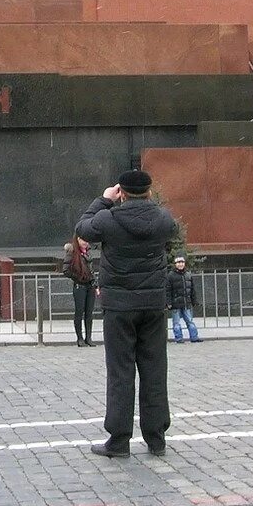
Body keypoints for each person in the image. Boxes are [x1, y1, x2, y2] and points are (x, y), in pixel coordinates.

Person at [76, 169, 177, 458]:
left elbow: (82, 228)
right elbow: (171, 231)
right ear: (148, 191)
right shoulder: (162, 218)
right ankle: (156, 438)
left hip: (119, 307)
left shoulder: (108, 219)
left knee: (120, 373)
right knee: (155, 370)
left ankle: (119, 440)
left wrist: (103, 200)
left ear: (121, 192)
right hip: (154, 304)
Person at [62, 236, 99, 347]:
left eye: (87, 240)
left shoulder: (88, 253)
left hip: (90, 286)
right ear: (77, 240)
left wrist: (95, 284)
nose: (85, 242)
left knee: (89, 313)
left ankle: (89, 338)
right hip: (80, 286)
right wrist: (78, 277)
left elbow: (91, 270)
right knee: (79, 312)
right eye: (83, 240)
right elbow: (66, 270)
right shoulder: (72, 252)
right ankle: (80, 338)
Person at [166, 255, 202, 344]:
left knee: (190, 321)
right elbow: (168, 291)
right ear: (175, 264)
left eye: (182, 262)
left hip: (187, 303)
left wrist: (194, 301)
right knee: (176, 323)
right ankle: (179, 338)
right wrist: (169, 303)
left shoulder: (188, 275)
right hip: (175, 304)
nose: (180, 264)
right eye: (178, 262)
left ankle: (194, 337)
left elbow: (192, 290)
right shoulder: (170, 276)